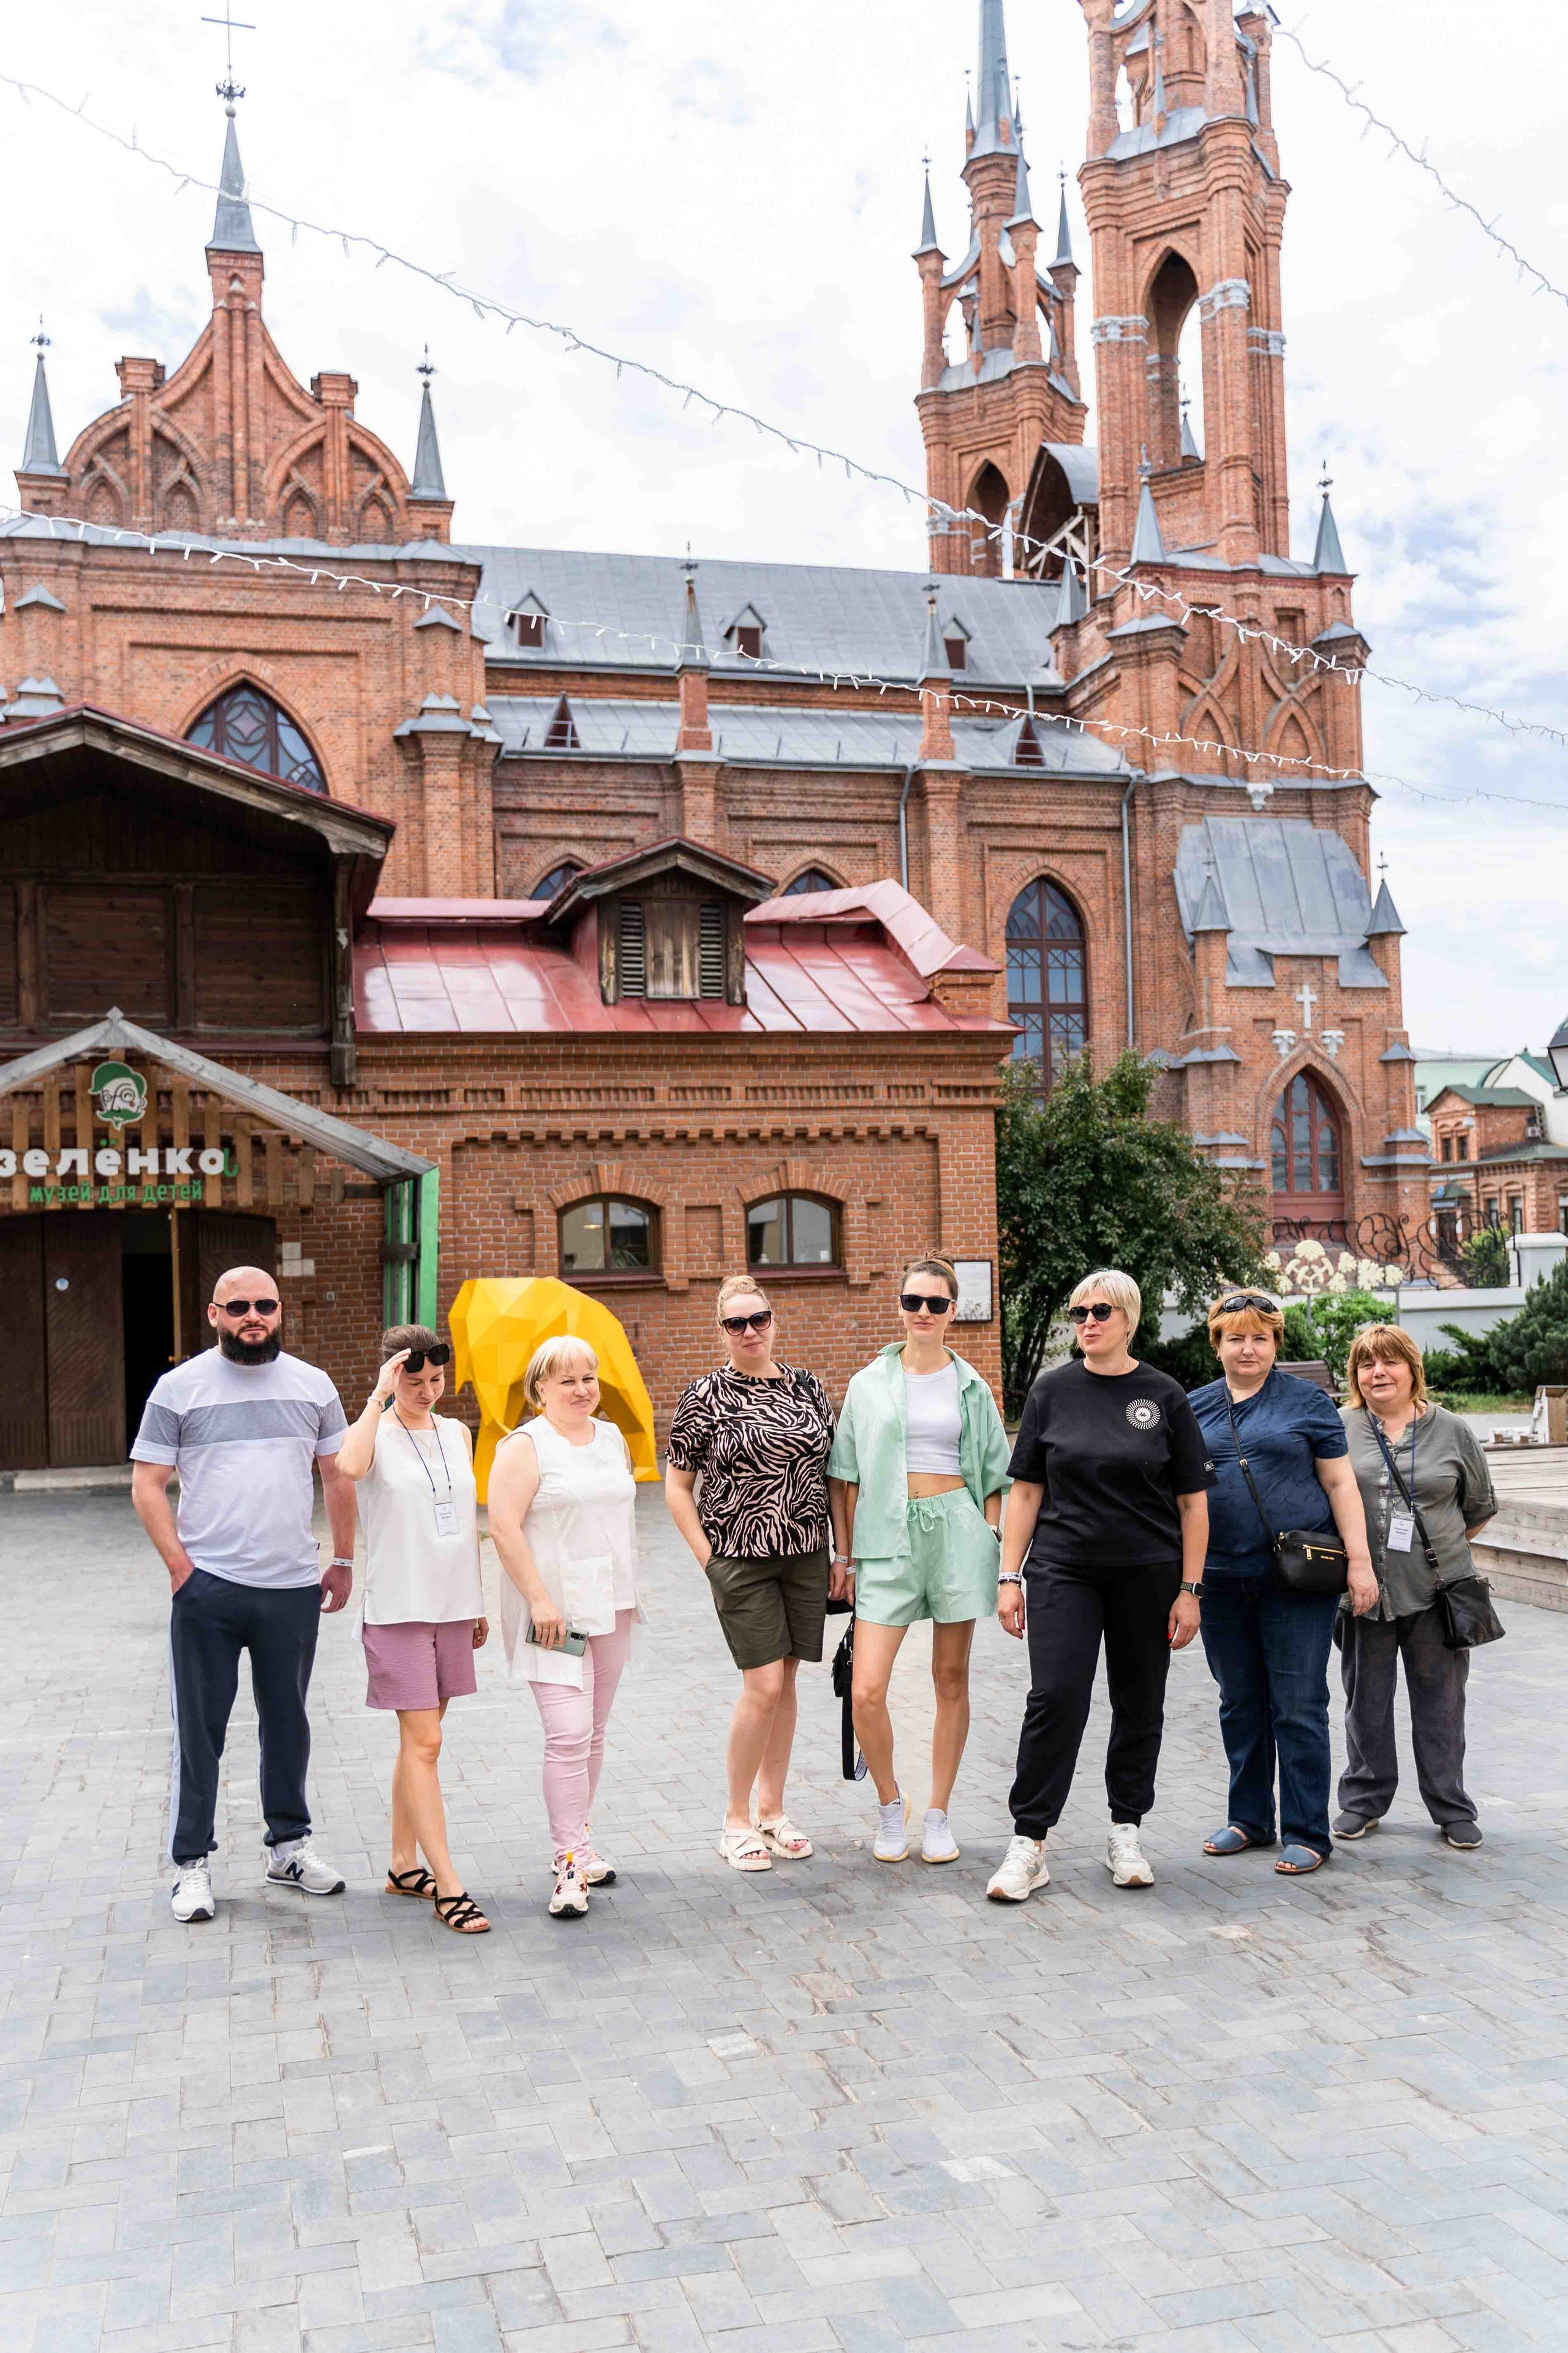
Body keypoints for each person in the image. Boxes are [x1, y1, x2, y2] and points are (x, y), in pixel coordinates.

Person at [130, 1266, 353, 1924]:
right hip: (210, 1591)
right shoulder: (179, 1388)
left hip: (291, 1587)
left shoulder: (313, 1385)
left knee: (289, 1724)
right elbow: (148, 1485)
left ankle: (288, 1848)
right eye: (239, 1307)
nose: (253, 1316)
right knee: (200, 1731)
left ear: (280, 1310)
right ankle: (191, 1864)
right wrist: (180, 1569)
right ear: (214, 1314)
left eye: (264, 1305)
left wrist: (342, 1557)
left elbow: (337, 1475)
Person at [987, 1269, 1212, 1904]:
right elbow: (1026, 1489)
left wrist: (1190, 1588)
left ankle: (1125, 1830)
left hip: (1149, 1572)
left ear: (1129, 1318)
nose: (1088, 1320)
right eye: (1080, 1310)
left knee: (1139, 1702)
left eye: (1101, 1311)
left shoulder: (1163, 1395)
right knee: (1056, 1697)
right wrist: (1009, 1575)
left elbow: (1193, 1504)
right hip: (1063, 1568)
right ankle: (1029, 1842)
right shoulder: (1052, 1391)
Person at [828, 1256, 1010, 1865]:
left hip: (956, 1533)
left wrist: (988, 1535)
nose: (924, 1313)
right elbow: (843, 1476)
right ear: (899, 1306)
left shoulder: (971, 1384)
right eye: (913, 1301)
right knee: (867, 1689)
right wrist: (845, 1556)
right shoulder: (867, 1384)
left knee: (950, 1679)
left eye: (936, 1303)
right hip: (885, 1543)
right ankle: (889, 1805)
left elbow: (993, 1473)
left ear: (953, 1311)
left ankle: (937, 1813)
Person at [1188, 1291, 1378, 1875]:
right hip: (1220, 1578)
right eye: (1237, 1337)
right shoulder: (1192, 1408)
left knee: (1298, 1704)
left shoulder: (1308, 1403)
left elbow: (1341, 1484)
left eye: (1261, 1337)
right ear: (1217, 1343)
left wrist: (1361, 1561)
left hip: (1296, 1582)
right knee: (1239, 1701)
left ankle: (1307, 1830)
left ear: (1276, 1344)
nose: (1249, 1348)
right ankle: (1249, 1817)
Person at [666, 1277, 836, 1873]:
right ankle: (735, 1819)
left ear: (773, 1319)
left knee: (787, 1683)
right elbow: (677, 1485)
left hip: (806, 1554)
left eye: (758, 1318)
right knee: (761, 1685)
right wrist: (704, 1557)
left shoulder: (808, 1387)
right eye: (736, 1323)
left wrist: (840, 1555)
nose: (749, 1331)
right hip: (739, 1559)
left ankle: (772, 1810)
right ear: (722, 1330)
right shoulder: (705, 1395)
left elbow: (831, 1471)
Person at [335, 1324, 491, 1935]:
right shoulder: (373, 1432)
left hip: (452, 1605)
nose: (428, 1390)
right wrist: (377, 1397)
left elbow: (465, 1518)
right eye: (414, 1379)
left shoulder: (457, 1431)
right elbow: (347, 1466)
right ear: (391, 1374)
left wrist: (477, 1599)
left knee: (418, 1745)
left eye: (435, 1379)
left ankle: (404, 1865)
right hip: (398, 1607)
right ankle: (447, 1885)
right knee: (426, 1745)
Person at [488, 1335, 641, 1918]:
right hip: (552, 1611)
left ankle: (578, 1840)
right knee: (569, 1732)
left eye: (589, 1377)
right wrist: (539, 1599)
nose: (582, 1389)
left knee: (594, 1732)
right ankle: (569, 1862)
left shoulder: (611, 1438)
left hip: (612, 1604)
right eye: (567, 1380)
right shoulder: (524, 1446)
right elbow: (503, 1527)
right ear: (540, 1390)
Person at [1335, 1324, 1498, 1850]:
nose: (1377, 1372)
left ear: (1412, 1368)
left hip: (1438, 1594)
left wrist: (1438, 1552)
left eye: (1389, 1362)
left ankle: (1451, 1807)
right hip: (1363, 1592)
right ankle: (1363, 1801)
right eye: (1366, 1364)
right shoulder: (1341, 1427)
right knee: (1366, 1704)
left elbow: (1478, 1507)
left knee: (1442, 1705)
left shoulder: (1452, 1430)